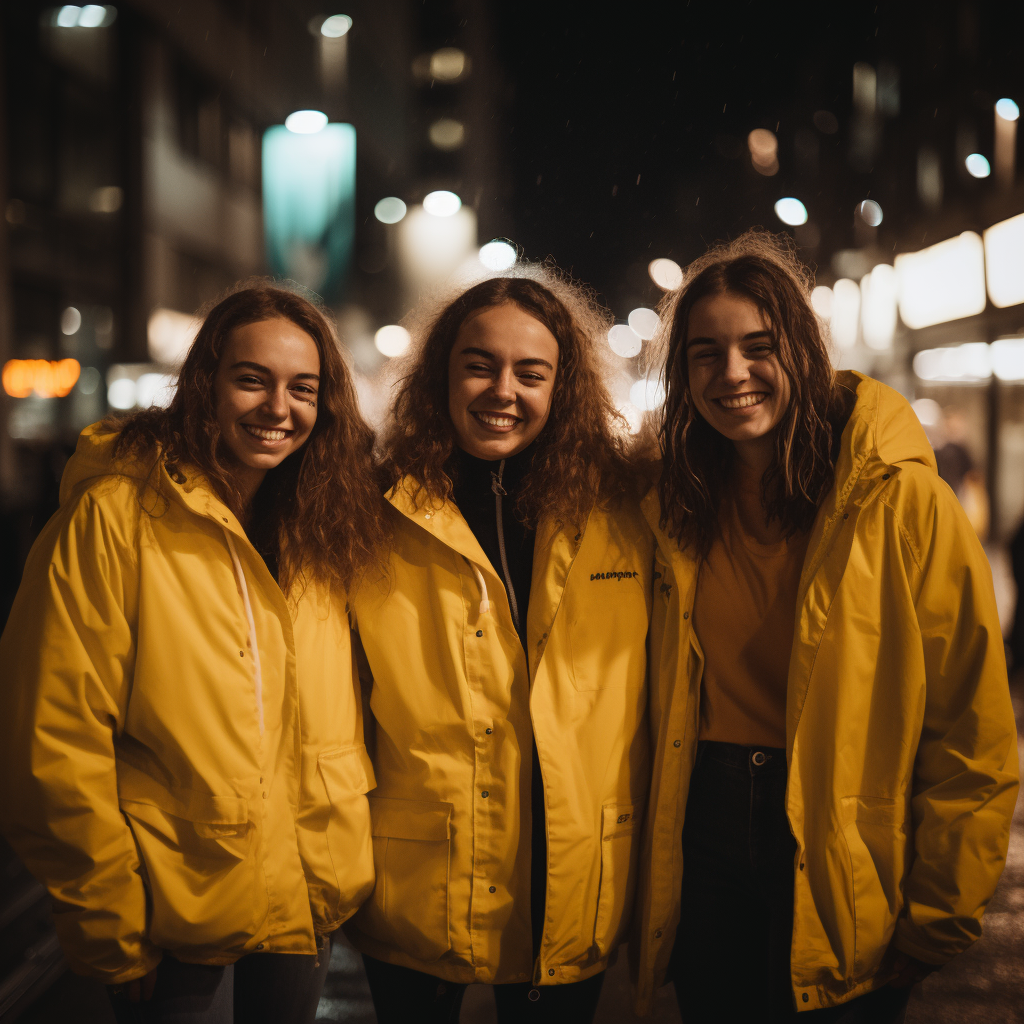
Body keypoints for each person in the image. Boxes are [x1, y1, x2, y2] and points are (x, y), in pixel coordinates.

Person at [630, 232, 1019, 1021]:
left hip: (841, 837)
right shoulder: (666, 505)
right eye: (705, 353)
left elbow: (969, 724)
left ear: (802, 353)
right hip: (702, 822)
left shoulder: (900, 501)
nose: (731, 373)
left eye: (757, 347)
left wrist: (941, 905)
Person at [0, 286, 388, 1024]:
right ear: (204, 384)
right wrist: (107, 922)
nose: (278, 407)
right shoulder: (117, 515)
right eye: (251, 380)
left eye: (302, 388)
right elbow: (53, 737)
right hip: (171, 909)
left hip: (304, 898)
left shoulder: (324, 526)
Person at [346, 271, 653, 1022]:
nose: (502, 391)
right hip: (420, 873)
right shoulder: (373, 511)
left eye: (531, 373)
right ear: (441, 375)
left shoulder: (626, 510)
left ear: (564, 386)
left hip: (573, 875)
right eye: (479, 365)